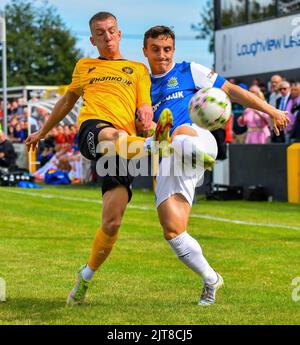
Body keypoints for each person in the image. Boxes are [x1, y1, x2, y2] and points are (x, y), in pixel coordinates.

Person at [25, 12, 172, 305]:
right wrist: (42, 131)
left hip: (127, 146)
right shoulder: (85, 66)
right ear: (93, 40)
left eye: (111, 31)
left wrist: (146, 118)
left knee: (112, 222)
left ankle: (85, 277)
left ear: (119, 34)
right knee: (112, 135)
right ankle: (154, 148)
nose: (107, 37)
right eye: (100, 33)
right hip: (95, 130)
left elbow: (144, 105)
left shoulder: (137, 69)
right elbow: (67, 101)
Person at [142, 25, 290, 306]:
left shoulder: (189, 70)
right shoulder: (142, 84)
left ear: (174, 49)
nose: (163, 55)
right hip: (172, 158)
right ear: (145, 50)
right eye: (156, 49)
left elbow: (232, 91)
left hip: (198, 138)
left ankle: (172, 143)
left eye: (168, 49)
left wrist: (271, 111)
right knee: (173, 231)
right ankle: (211, 279)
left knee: (180, 133)